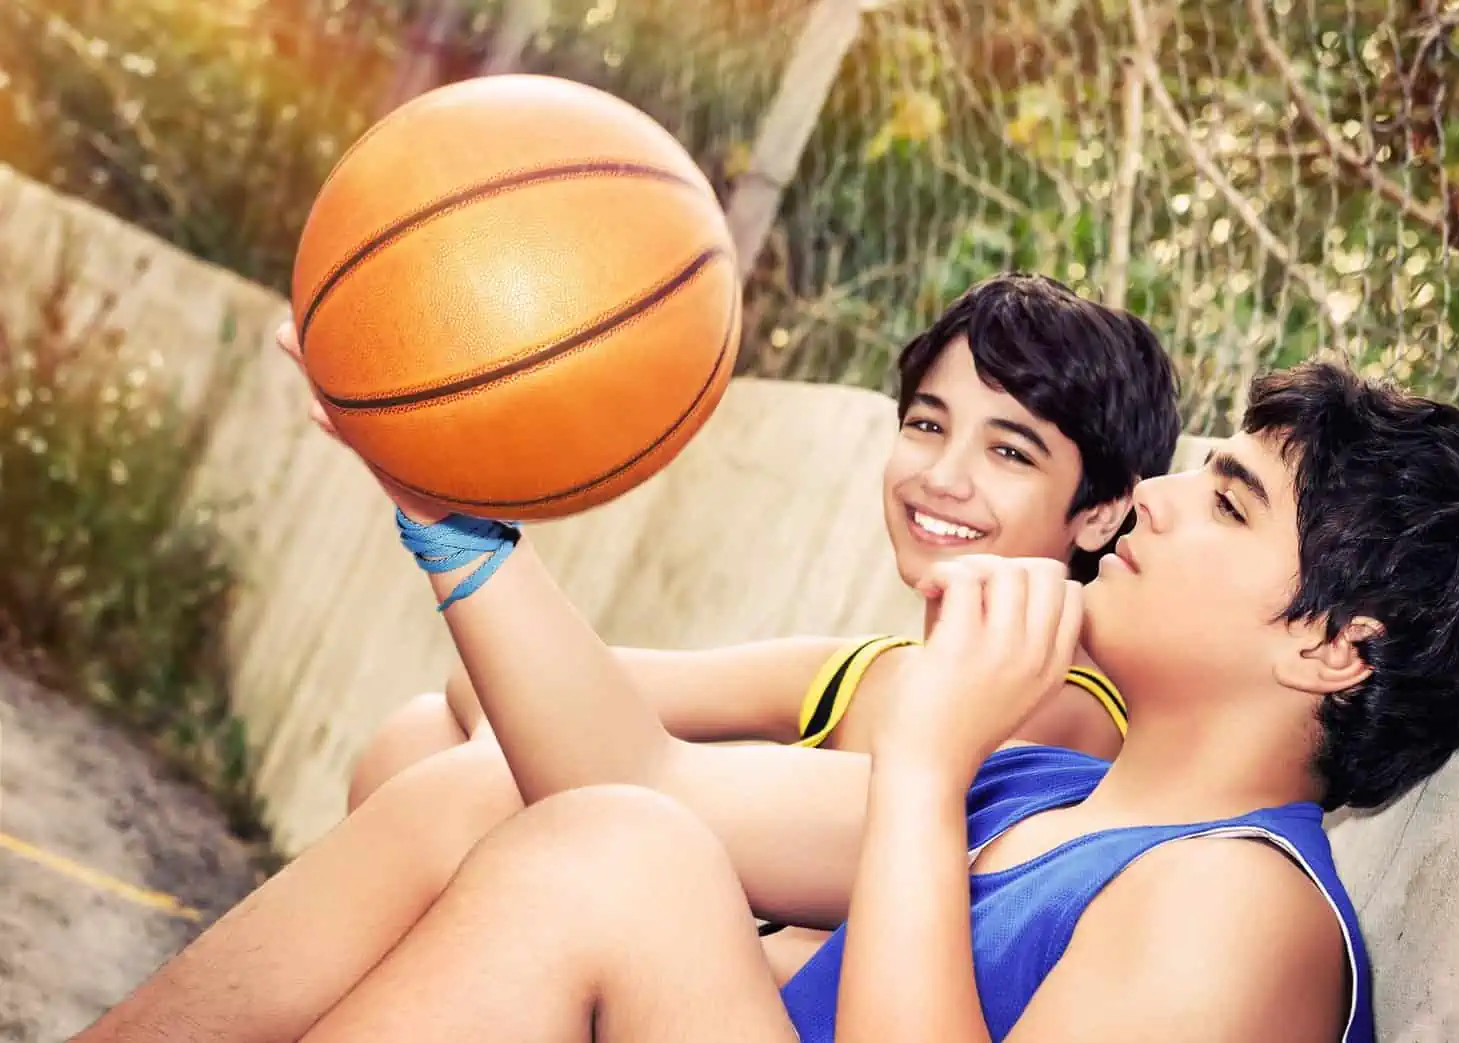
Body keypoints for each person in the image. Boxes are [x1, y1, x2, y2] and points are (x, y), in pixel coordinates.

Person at [82, 359, 1459, 1043]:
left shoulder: (1244, 912)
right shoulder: (1052, 795)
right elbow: (618, 768)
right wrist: (447, 518)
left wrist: (931, 760)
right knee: (551, 812)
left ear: (1334, 646)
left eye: (1228, 499)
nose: (1156, 499)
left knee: (620, 861)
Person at [342, 273, 1180, 971]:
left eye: (1009, 452)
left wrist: (446, 520)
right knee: (426, 739)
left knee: (481, 791)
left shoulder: (1063, 723)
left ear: (1102, 515)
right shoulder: (872, 671)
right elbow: (486, 690)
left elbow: (614, 776)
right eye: (928, 424)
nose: (943, 477)